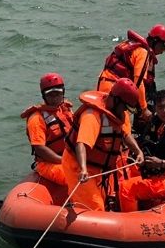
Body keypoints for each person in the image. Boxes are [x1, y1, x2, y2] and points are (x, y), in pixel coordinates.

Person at [61, 78, 145, 211]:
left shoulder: (117, 115)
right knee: (96, 208)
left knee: (106, 201)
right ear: (116, 100)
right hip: (78, 165)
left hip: (98, 168)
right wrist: (83, 169)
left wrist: (138, 151)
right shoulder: (92, 116)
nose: (125, 111)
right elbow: (81, 144)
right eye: (125, 107)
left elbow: (125, 135)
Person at [97, 24, 165, 126]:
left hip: (103, 83)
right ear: (155, 41)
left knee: (104, 119)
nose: (162, 51)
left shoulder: (132, 45)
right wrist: (144, 109)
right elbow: (138, 83)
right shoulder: (143, 53)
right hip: (114, 89)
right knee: (123, 126)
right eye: (162, 47)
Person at [20, 73, 74, 186]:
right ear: (44, 96)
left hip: (71, 157)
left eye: (58, 94)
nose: (55, 98)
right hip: (49, 163)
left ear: (63, 92)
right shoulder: (36, 118)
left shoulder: (65, 110)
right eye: (50, 95)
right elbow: (39, 148)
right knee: (75, 177)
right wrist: (64, 160)